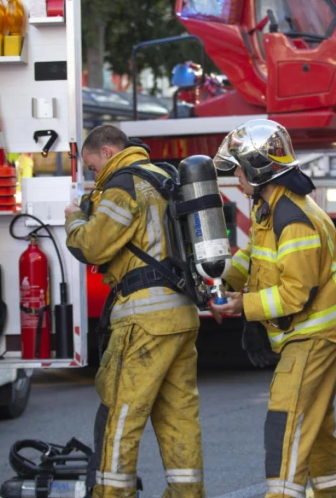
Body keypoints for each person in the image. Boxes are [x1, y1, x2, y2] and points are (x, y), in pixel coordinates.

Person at [209, 119, 336, 498]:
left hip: (313, 335)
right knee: (316, 431)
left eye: (239, 169)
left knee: (285, 421)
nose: (237, 177)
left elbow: (294, 295)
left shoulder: (293, 220)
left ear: (258, 169)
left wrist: (243, 305)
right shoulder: (271, 210)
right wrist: (222, 279)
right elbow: (254, 258)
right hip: (307, 333)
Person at [64, 125, 205, 498]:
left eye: (93, 167)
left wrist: (74, 218)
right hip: (181, 315)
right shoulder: (162, 176)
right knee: (179, 418)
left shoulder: (122, 186)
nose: (95, 175)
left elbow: (93, 247)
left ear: (107, 152)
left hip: (144, 320)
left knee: (121, 417)